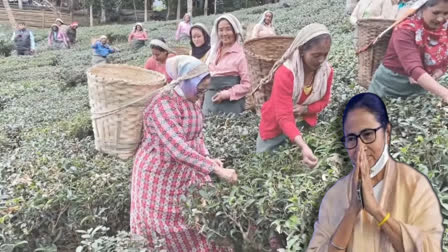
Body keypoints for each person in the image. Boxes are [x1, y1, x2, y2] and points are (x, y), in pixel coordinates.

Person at [307, 93, 443, 252]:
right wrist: (352, 211)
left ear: (387, 133)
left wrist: (377, 212)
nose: (360, 148)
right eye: (351, 138)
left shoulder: (415, 185)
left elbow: (429, 247)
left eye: (368, 134)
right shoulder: (334, 196)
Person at [131, 55, 237, 251]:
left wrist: (206, 157)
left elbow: (196, 136)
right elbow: (178, 149)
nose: (201, 93)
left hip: (186, 172)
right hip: (159, 176)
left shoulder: (191, 100)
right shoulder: (163, 104)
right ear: (186, 81)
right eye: (200, 88)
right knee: (163, 229)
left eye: (205, 89)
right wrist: (215, 169)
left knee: (198, 220)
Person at [256, 23, 333, 168]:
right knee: (267, 167)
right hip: (276, 128)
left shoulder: (326, 72)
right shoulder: (286, 73)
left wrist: (306, 109)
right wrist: (303, 146)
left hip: (304, 125)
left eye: (325, 54)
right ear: (303, 50)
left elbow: (324, 101)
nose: (321, 60)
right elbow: (283, 117)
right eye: (316, 55)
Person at [368, 0, 448, 103]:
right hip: (389, 89)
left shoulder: (443, 30)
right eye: (435, 13)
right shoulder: (405, 29)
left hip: (419, 89)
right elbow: (414, 68)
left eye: (446, 13)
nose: (441, 18)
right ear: (422, 8)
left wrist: (435, 75)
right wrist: (444, 93)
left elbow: (444, 61)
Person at [202, 14, 251, 116]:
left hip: (230, 108)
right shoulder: (212, 53)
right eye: (220, 30)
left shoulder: (242, 55)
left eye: (228, 29)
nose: (224, 33)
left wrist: (227, 94)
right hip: (208, 105)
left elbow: (247, 85)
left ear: (235, 31)